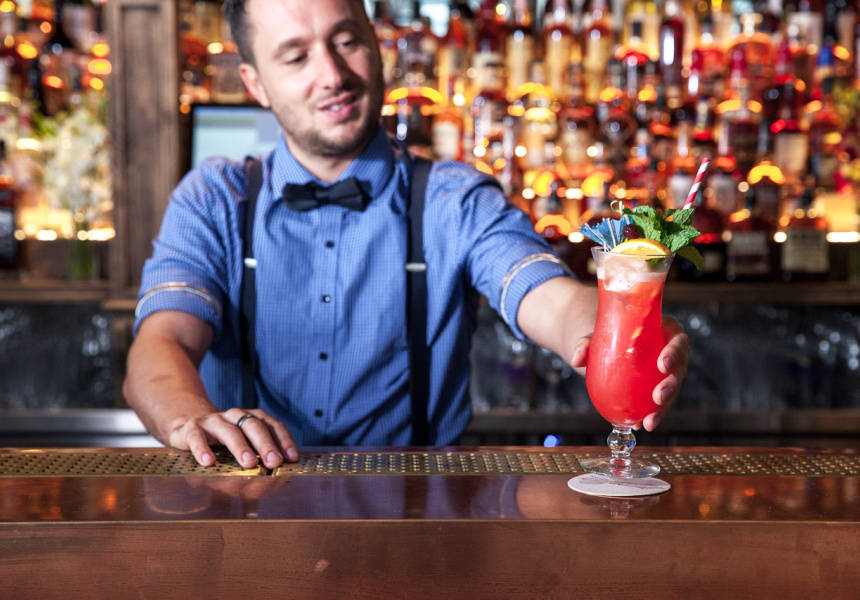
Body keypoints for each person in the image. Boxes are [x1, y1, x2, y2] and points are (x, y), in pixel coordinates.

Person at [124, 0, 690, 470]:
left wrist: (616, 331)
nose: (332, 75)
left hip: (419, 521)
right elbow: (160, 344)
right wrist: (190, 418)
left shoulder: (453, 199)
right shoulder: (215, 199)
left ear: (377, 45)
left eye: (346, 41)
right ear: (256, 83)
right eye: (296, 57)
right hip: (249, 513)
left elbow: (548, 296)